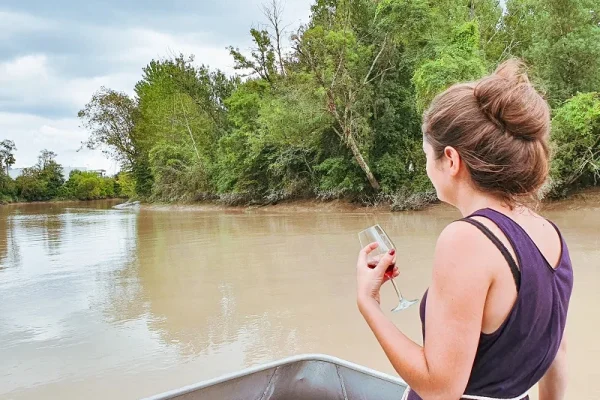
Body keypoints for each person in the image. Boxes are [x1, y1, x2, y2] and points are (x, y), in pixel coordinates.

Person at [356, 59, 574, 400]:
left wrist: (368, 303)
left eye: (427, 156)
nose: (427, 168)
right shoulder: (550, 234)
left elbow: (440, 388)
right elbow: (556, 355)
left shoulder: (467, 239)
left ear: (451, 159)